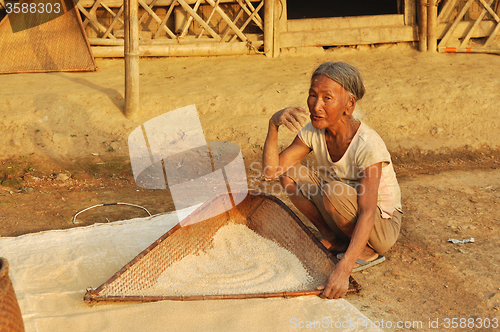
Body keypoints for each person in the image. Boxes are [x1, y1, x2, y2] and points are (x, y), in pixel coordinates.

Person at [262, 62, 402, 300]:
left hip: (381, 226)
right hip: (339, 203)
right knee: (290, 174)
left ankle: (366, 252)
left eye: (328, 98)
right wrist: (273, 125)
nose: (317, 106)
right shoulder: (313, 131)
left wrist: (342, 270)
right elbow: (271, 172)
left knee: (333, 191)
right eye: (313, 95)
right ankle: (335, 239)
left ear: (349, 104)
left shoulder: (368, 145)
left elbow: (368, 212)